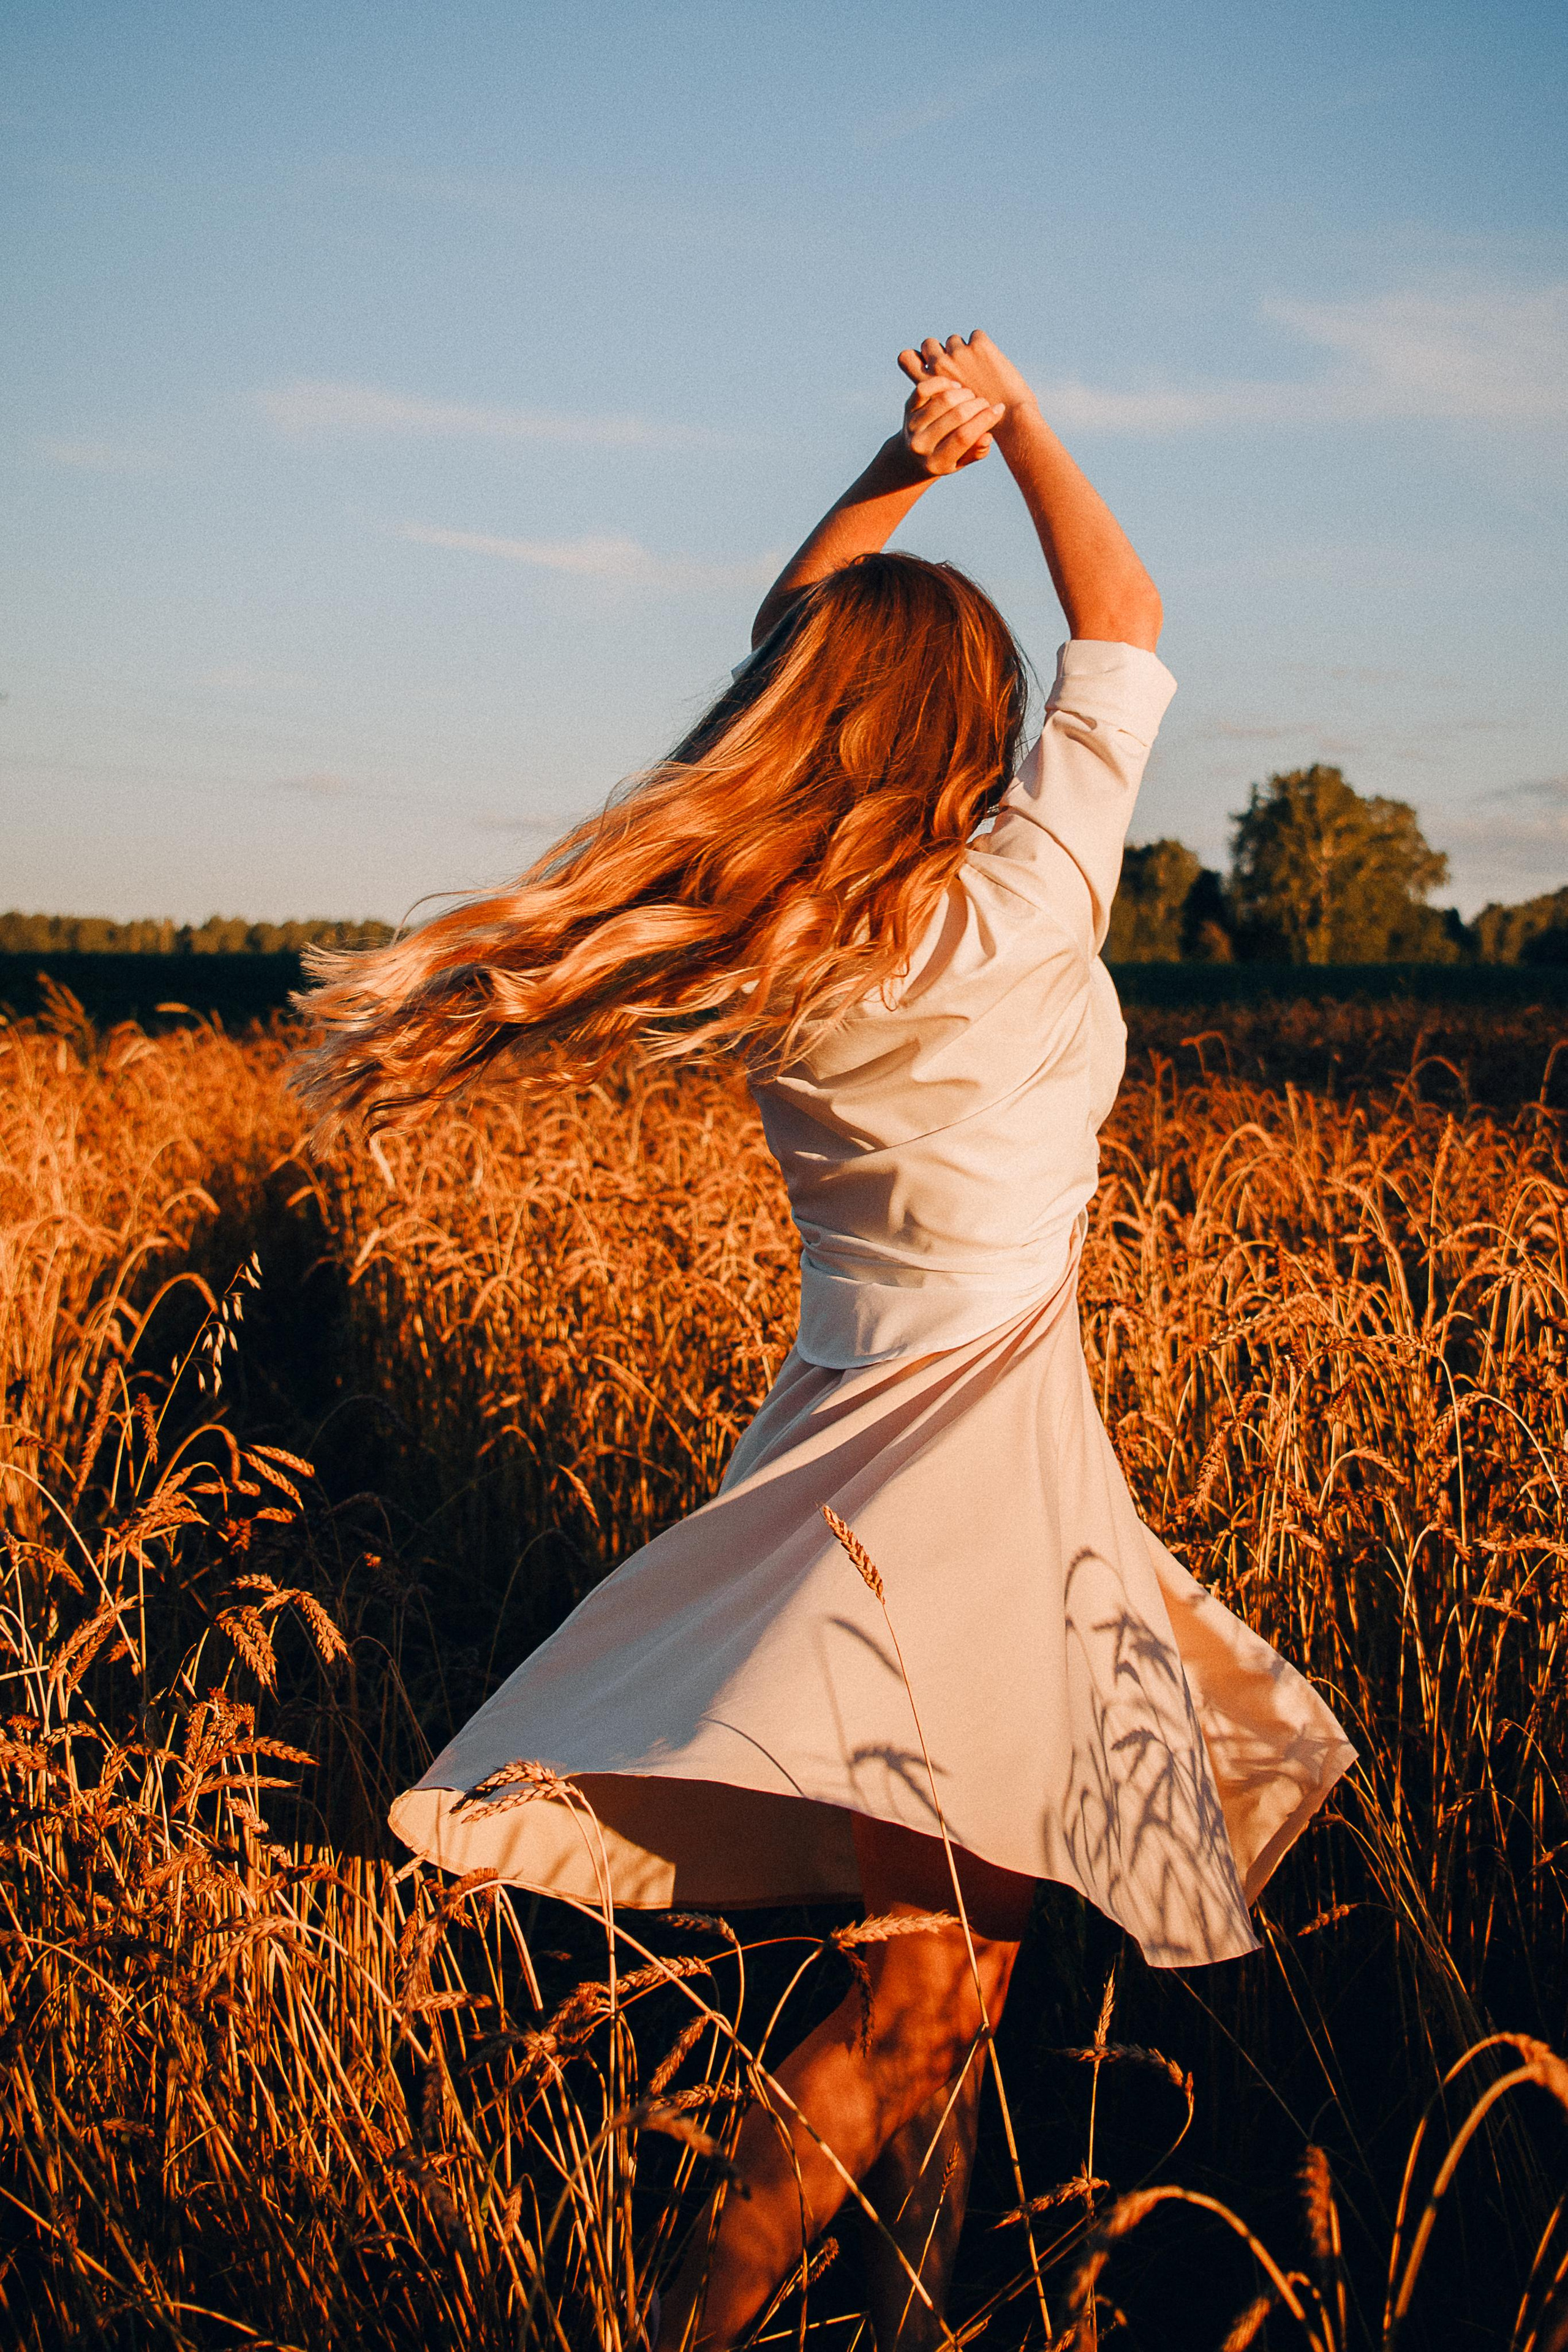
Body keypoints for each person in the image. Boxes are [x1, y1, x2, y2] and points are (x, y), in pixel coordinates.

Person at [293, 330, 1355, 2350]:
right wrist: (1014, 414)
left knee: (953, 1982)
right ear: (975, 724)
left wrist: (898, 462)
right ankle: (691, 2329)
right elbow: (1120, 615)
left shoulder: (787, 942)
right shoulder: (1027, 897)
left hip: (858, 1460)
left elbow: (793, 628)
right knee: (924, 1994)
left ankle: (894, 2323)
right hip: (972, 1490)